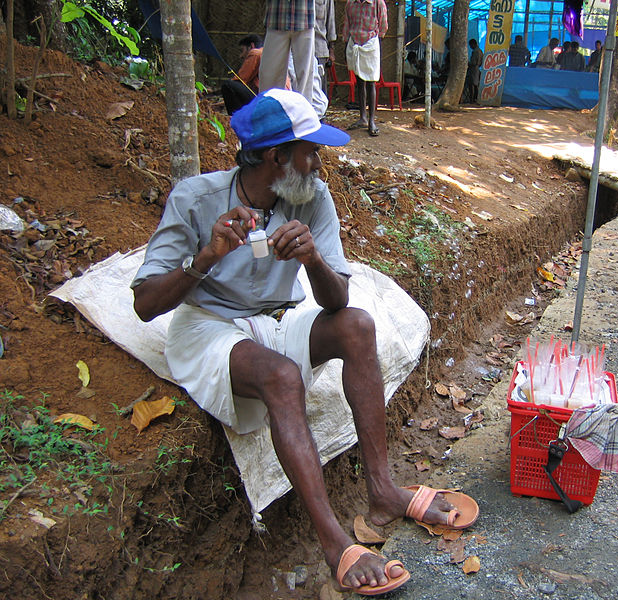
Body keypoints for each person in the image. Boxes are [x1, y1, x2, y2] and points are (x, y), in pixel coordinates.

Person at [130, 89, 479, 595]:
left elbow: (336, 301)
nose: (319, 163)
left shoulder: (312, 196)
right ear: (275, 157)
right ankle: (334, 541)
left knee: (357, 324)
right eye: (310, 151)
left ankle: (382, 489)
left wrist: (312, 260)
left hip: (274, 318)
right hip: (208, 326)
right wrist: (205, 257)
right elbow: (144, 304)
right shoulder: (196, 198)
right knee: (282, 375)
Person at [342, 0, 388, 137]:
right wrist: (346, 42)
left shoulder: (378, 3)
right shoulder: (350, 3)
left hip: (370, 43)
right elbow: (347, 25)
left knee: (371, 81)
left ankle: (371, 121)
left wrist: (376, 40)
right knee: (359, 81)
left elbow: (383, 26)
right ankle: (363, 118)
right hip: (354, 44)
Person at [259, 0, 316, 105]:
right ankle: (268, 113)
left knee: (305, 76)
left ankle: (304, 115)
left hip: (304, 17)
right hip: (276, 18)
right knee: (268, 74)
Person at [221, 35, 263, 115]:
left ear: (251, 46)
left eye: (242, 50)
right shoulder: (268, 52)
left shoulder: (255, 53)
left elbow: (240, 80)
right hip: (277, 96)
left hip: (264, 99)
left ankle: (236, 119)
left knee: (228, 86)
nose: (241, 56)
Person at [313, 0, 337, 115]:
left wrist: (331, 50)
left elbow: (331, 23)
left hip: (319, 48)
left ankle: (321, 120)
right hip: (298, 49)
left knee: (319, 90)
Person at [466, 38, 483, 103]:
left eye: (470, 45)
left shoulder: (475, 51)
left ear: (473, 44)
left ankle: (472, 99)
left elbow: (473, 62)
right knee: (476, 84)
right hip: (477, 68)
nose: (470, 47)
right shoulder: (480, 51)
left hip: (473, 69)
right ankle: (475, 98)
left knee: (472, 84)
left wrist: (467, 63)